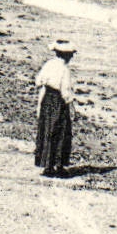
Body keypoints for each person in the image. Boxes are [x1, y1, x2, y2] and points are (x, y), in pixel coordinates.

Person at [35, 39, 76, 177]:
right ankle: (57, 166)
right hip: (58, 101)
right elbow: (65, 91)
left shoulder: (49, 64)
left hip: (47, 98)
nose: (71, 57)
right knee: (61, 132)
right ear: (66, 55)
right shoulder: (65, 69)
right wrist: (71, 106)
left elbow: (38, 80)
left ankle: (47, 165)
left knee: (47, 130)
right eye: (70, 54)